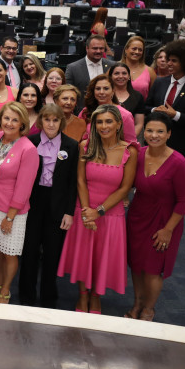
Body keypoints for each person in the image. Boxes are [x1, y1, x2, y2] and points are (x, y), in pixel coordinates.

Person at [58, 105, 138, 315]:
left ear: (119, 124)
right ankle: (83, 295)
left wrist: (99, 211)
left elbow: (125, 188)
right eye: (99, 122)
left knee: (102, 256)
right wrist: (86, 211)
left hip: (110, 214)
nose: (104, 126)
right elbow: (80, 181)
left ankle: (96, 297)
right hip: (84, 209)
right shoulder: (85, 146)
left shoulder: (129, 151)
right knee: (84, 255)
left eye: (109, 121)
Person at [125, 113, 185, 322]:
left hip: (164, 221)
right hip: (138, 216)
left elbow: (183, 201)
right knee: (136, 265)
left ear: (169, 134)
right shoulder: (139, 155)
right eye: (150, 131)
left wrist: (168, 230)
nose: (154, 135)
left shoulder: (179, 163)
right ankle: (137, 303)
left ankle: (148, 310)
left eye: (160, 131)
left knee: (153, 269)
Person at [0, 101, 39, 304]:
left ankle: (5, 290)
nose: (10, 123)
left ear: (22, 123)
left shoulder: (28, 149)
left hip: (12, 210)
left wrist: (10, 217)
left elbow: (24, 187)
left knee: (9, 252)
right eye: (6, 118)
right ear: (0, 119)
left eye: (15, 120)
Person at [19, 104, 79, 308]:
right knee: (29, 251)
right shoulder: (30, 142)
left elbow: (73, 183)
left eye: (55, 120)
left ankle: (48, 297)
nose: (51, 124)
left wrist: (69, 212)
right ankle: (26, 295)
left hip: (58, 203)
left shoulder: (71, 146)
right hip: (33, 202)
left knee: (52, 253)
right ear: (40, 121)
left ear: (61, 122)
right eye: (47, 119)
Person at [145, 40, 185, 161]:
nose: (169, 63)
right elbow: (145, 107)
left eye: (174, 61)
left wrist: (175, 115)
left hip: (179, 143)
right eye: (169, 60)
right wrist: (154, 110)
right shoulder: (159, 82)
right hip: (155, 142)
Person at [79, 74, 138, 143]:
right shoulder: (86, 111)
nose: (101, 92)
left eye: (106, 88)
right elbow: (78, 138)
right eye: (98, 89)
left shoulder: (125, 115)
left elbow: (131, 144)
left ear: (113, 91)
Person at [65, 35, 114, 113]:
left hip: (108, 111)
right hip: (82, 113)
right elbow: (67, 92)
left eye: (101, 48)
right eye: (95, 48)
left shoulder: (112, 66)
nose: (98, 51)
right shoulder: (73, 68)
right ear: (87, 48)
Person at [109, 62, 145, 138]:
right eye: (116, 73)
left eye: (124, 73)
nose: (121, 76)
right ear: (111, 76)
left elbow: (139, 124)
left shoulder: (137, 96)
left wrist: (128, 140)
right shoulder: (106, 95)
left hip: (129, 140)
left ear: (129, 76)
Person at [120, 36, 156, 101]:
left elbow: (154, 97)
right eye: (134, 49)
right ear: (126, 50)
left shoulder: (150, 71)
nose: (137, 52)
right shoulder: (114, 68)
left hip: (141, 110)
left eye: (140, 50)